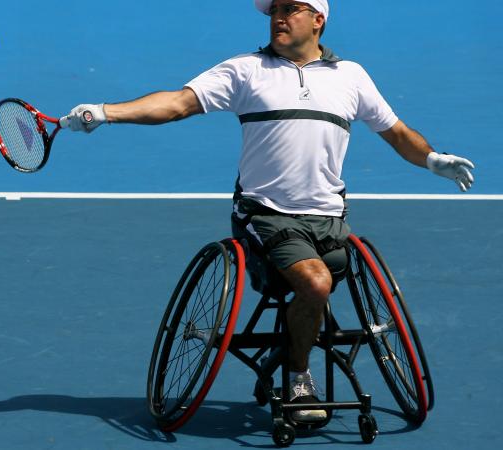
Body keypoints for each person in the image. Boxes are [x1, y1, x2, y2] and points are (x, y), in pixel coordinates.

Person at [62, 0, 475, 423]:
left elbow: (399, 133)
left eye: (291, 8)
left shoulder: (351, 76)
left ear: (318, 20)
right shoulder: (245, 70)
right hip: (265, 217)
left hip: (331, 222)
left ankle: (292, 341)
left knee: (318, 277)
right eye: (274, 8)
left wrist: (432, 160)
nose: (278, 15)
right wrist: (106, 112)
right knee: (315, 282)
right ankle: (299, 377)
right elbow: (176, 103)